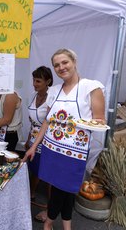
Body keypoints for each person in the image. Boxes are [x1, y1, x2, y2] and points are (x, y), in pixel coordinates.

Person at [23, 49, 106, 230]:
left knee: (64, 189)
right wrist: (33, 146)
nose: (61, 67)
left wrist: (86, 123)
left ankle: (49, 222)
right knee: (63, 190)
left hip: (74, 151)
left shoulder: (91, 87)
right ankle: (67, 225)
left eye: (65, 62)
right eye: (57, 65)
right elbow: (47, 121)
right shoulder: (54, 91)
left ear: (74, 61)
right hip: (51, 148)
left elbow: (100, 120)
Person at [24, 66, 53, 222]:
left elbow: (48, 123)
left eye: (38, 81)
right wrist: (29, 139)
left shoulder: (51, 99)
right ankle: (31, 193)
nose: (34, 83)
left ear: (48, 81)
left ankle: (50, 208)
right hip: (34, 137)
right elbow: (33, 122)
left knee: (47, 174)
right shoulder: (34, 95)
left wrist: (36, 142)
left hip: (46, 140)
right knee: (34, 167)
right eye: (34, 80)